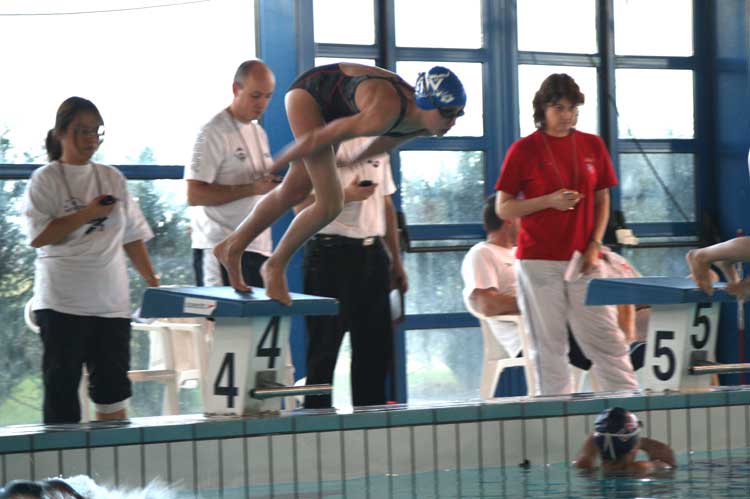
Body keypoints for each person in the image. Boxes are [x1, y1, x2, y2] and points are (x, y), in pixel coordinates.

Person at [214, 63, 466, 304]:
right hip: (310, 94)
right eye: (447, 113)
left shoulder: (424, 124)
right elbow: (322, 136)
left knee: (294, 190)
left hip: (334, 106)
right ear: (426, 103)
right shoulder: (386, 110)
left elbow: (387, 142)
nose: (452, 122)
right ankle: (274, 265)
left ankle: (232, 247)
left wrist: (353, 159)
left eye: (457, 114)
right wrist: (275, 164)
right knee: (330, 204)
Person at [495, 73, 638, 395]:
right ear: (542, 109)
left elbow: (602, 199)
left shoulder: (592, 144)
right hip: (538, 261)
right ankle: (556, 413)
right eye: (558, 108)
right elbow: (504, 208)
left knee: (605, 338)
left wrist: (595, 244)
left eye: (573, 108)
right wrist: (548, 201)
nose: (567, 116)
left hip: (584, 259)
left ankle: (628, 405)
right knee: (549, 346)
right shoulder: (524, 150)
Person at [23, 97, 158, 424]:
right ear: (61, 133)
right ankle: (59, 458)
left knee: (112, 395)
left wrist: (153, 282)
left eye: (96, 131)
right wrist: (88, 213)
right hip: (62, 305)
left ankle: (111, 455)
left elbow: (132, 237)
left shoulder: (112, 178)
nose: (90, 139)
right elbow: (39, 236)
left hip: (111, 305)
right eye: (82, 131)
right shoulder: (45, 179)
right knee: (62, 396)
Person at [300, 137, 408, 408]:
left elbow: (386, 205)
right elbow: (299, 204)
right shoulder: (323, 143)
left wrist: (396, 261)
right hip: (328, 254)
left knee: (374, 352)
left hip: (373, 254)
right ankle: (317, 423)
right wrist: (346, 195)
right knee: (324, 351)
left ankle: (370, 423)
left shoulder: (378, 144)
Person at [186, 59, 281, 287]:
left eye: (268, 96)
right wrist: (252, 188)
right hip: (219, 246)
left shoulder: (259, 133)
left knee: (258, 312)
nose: (261, 103)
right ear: (236, 89)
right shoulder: (212, 132)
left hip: (257, 247)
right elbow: (195, 194)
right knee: (222, 312)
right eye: (255, 95)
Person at [461, 193, 521, 358]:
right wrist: (536, 303)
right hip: (526, 338)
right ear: (508, 218)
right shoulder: (482, 253)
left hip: (549, 328)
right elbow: (488, 304)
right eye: (521, 216)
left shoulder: (520, 253)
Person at [575, 407, 676, 473]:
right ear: (633, 446)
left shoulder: (586, 468)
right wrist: (644, 443)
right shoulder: (642, 468)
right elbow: (668, 462)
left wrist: (603, 433)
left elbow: (585, 457)